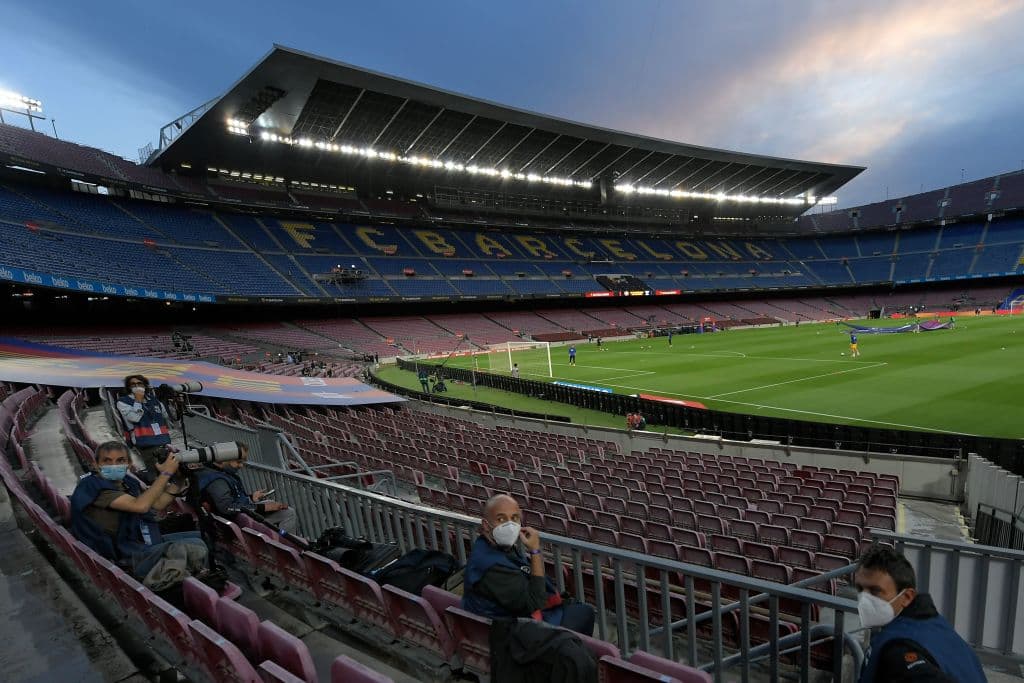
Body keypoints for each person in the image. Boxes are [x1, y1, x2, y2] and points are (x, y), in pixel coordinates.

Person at [70, 441, 209, 590]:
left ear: (129, 464)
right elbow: (140, 506)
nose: (114, 465)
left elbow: (157, 504)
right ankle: (194, 589)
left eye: (120, 460)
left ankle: (200, 581)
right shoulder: (95, 487)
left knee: (202, 537)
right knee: (196, 547)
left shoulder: (126, 481)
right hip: (125, 556)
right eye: (107, 461)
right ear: (96, 465)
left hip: (138, 541)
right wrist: (166, 473)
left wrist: (179, 479)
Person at [462, 494, 594, 635]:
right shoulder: (492, 567)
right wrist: (535, 551)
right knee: (584, 612)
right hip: (513, 634)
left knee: (578, 608)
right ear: (485, 525)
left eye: (515, 518)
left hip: (504, 622)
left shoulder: (487, 547)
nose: (510, 525)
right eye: (501, 519)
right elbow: (535, 602)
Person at [854, 545, 985, 683]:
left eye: (875, 591)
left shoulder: (898, 650)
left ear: (907, 597)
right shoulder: (936, 626)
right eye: (860, 589)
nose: (864, 600)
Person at [196, 442, 297, 534]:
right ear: (223, 460)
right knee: (288, 512)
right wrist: (262, 508)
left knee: (271, 502)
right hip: (240, 523)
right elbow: (227, 507)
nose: (241, 466)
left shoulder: (209, 470)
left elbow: (228, 500)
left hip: (239, 517)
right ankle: (286, 544)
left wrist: (251, 498)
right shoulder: (218, 481)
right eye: (238, 462)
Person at [116, 374, 174, 482]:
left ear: (145, 385)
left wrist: (171, 402)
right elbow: (134, 418)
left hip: (163, 440)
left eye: (139, 383)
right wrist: (138, 401)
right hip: (145, 442)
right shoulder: (123, 401)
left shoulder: (153, 399)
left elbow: (167, 416)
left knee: (170, 469)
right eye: (133, 384)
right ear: (128, 387)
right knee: (155, 471)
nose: (136, 386)